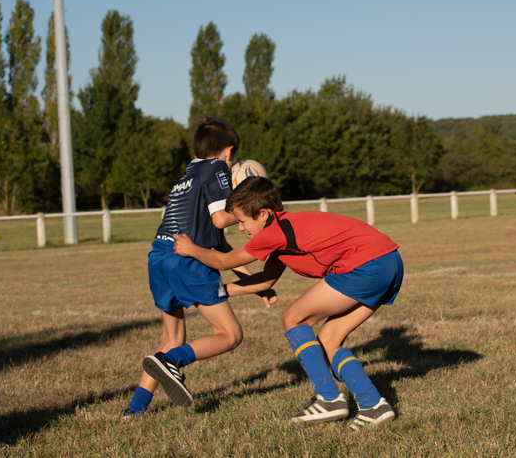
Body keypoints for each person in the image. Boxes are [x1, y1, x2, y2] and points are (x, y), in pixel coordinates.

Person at [173, 176, 404, 430]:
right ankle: (373, 405)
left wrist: (190, 249)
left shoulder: (275, 232)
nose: (240, 228)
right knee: (329, 339)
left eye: (242, 221)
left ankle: (328, 398)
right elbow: (265, 281)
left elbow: (224, 261)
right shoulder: (283, 231)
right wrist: (219, 291)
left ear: (263, 214)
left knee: (293, 318)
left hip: (366, 264)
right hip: (388, 260)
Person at [124, 117, 273, 418]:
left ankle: (135, 408)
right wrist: (251, 207)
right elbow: (219, 219)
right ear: (228, 152)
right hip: (187, 259)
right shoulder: (217, 167)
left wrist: (255, 284)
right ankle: (172, 361)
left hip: (160, 257)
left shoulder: (187, 175)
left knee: (171, 338)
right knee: (230, 334)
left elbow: (220, 246)